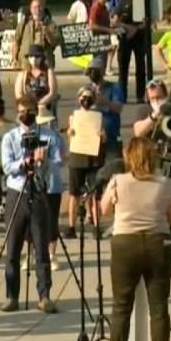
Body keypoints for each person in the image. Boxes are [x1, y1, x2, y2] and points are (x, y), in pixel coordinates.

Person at [100, 137, 171, 341]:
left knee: (121, 304)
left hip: (125, 243)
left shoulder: (118, 181)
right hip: (158, 243)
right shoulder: (165, 183)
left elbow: (104, 210)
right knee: (159, 306)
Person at [0, 96, 66, 313]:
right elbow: (7, 166)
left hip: (39, 192)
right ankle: (12, 296)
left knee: (41, 246)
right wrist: (24, 163)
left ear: (35, 112)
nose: (25, 114)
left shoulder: (48, 136)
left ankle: (44, 295)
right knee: (13, 247)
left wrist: (43, 161)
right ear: (16, 113)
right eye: (21, 111)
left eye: (29, 110)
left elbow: (58, 163)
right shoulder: (10, 137)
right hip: (17, 192)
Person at [65, 86, 106, 241]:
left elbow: (105, 139)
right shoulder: (73, 117)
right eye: (83, 97)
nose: (86, 100)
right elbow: (71, 138)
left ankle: (96, 227)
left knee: (95, 195)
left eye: (89, 97)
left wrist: (102, 136)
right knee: (73, 194)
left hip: (94, 160)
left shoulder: (98, 117)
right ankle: (71, 227)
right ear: (78, 99)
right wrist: (70, 133)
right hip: (77, 159)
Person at [110, 0, 146, 101]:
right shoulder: (123, 2)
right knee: (123, 69)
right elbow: (114, 21)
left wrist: (135, 29)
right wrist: (129, 27)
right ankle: (122, 96)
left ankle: (140, 96)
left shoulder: (143, 2)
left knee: (141, 69)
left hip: (140, 39)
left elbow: (148, 21)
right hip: (125, 39)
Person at [11, 0, 58, 69]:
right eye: (34, 7)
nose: (37, 9)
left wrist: (47, 32)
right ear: (30, 9)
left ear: (43, 8)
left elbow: (55, 43)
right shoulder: (24, 23)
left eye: (39, 6)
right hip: (25, 63)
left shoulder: (50, 24)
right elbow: (16, 42)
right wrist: (14, 58)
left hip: (45, 63)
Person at [14, 46, 59, 122]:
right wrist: (29, 105)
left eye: (37, 56)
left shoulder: (48, 72)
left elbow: (52, 93)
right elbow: (18, 94)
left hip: (44, 106)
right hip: (28, 107)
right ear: (28, 58)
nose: (34, 59)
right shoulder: (23, 74)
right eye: (31, 56)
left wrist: (40, 104)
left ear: (42, 58)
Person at [87, 0, 116, 74]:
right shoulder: (96, 7)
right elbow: (91, 25)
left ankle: (100, 80)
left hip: (104, 38)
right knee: (99, 63)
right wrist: (108, 30)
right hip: (98, 39)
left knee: (102, 62)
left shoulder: (103, 7)